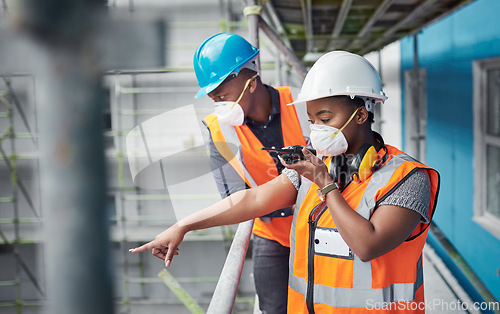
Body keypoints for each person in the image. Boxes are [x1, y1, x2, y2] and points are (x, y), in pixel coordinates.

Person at [130, 50, 440, 313]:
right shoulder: (319, 164)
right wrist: (183, 225)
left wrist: (325, 185)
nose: (316, 130)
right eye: (312, 120)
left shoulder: (409, 178)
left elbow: (367, 245)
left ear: (360, 115)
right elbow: (251, 199)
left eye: (326, 118)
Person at [194, 33, 309, 313]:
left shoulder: (301, 104)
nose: (219, 106)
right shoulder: (220, 130)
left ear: (251, 82)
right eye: (213, 99)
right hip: (271, 235)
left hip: (317, 227)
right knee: (274, 308)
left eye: (223, 96)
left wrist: (269, 199)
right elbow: (234, 198)